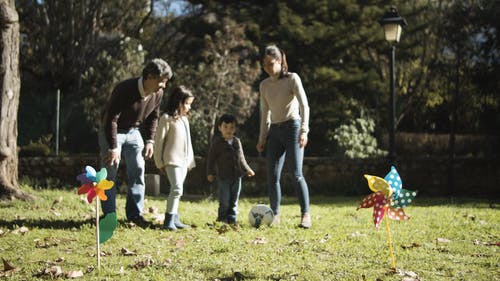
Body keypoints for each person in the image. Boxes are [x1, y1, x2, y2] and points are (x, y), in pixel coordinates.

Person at [99, 58, 173, 227]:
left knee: (138, 171)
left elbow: (154, 116)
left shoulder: (158, 93)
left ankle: (135, 216)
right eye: (162, 82)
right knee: (110, 173)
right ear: (150, 77)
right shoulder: (124, 89)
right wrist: (112, 147)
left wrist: (150, 140)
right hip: (112, 130)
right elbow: (110, 118)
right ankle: (109, 217)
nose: (164, 86)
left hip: (134, 132)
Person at [256, 44, 312, 228]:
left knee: (296, 173)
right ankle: (275, 214)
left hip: (293, 128)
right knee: (272, 176)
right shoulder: (264, 86)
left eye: (271, 63)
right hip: (275, 132)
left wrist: (304, 130)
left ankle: (305, 215)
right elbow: (265, 114)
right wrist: (262, 138)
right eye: (265, 65)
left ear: (280, 61)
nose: (268, 68)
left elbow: (304, 105)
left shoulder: (292, 79)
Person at [153, 85, 196, 231]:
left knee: (179, 189)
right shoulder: (166, 118)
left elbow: (188, 142)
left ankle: (175, 218)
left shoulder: (184, 120)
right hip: (171, 160)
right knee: (177, 188)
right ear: (178, 102)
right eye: (187, 103)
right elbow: (159, 142)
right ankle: (168, 220)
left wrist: (190, 160)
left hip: (184, 161)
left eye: (190, 104)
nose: (189, 107)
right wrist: (159, 162)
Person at [207, 114, 255, 225]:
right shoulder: (217, 144)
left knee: (234, 199)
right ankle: (222, 218)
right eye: (225, 127)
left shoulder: (236, 141)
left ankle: (232, 218)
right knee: (225, 200)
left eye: (232, 127)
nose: (229, 130)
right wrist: (210, 173)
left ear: (235, 129)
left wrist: (247, 169)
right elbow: (211, 159)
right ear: (220, 128)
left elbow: (241, 158)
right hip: (224, 177)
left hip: (237, 176)